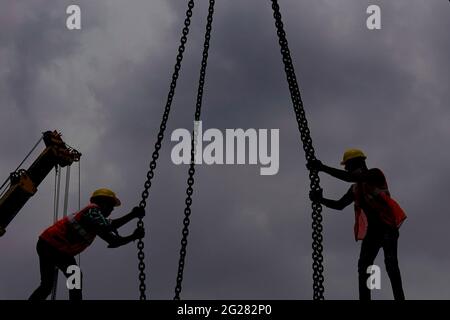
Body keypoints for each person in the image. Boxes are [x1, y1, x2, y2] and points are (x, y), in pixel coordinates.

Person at [307, 149, 406, 300]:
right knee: (364, 266)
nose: (346, 169)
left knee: (391, 264)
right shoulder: (356, 188)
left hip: (387, 228)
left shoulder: (374, 174)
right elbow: (340, 205)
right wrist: (321, 200)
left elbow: (348, 177)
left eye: (348, 166)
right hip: (373, 232)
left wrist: (322, 168)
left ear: (359, 163)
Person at [29, 188, 145, 300]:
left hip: (55, 248)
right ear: (103, 203)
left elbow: (114, 241)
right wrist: (132, 215)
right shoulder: (92, 210)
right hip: (51, 246)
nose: (112, 210)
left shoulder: (96, 225)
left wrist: (133, 236)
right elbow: (110, 226)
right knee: (71, 277)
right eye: (111, 206)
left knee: (49, 285)